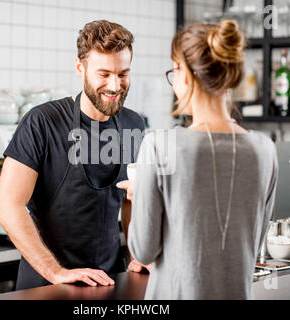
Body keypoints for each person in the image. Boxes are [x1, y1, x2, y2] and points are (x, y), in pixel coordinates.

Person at [117, 20, 278, 299]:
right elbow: (254, 244)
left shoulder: (160, 145)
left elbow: (143, 250)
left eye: (174, 71)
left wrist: (141, 192)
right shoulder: (265, 149)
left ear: (186, 76)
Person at [0, 20, 148, 291]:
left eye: (123, 74)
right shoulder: (42, 122)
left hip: (110, 282)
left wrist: (138, 254)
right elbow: (8, 207)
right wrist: (56, 272)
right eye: (104, 74)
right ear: (80, 68)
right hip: (46, 286)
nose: (115, 86)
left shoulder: (133, 124)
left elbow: (130, 200)